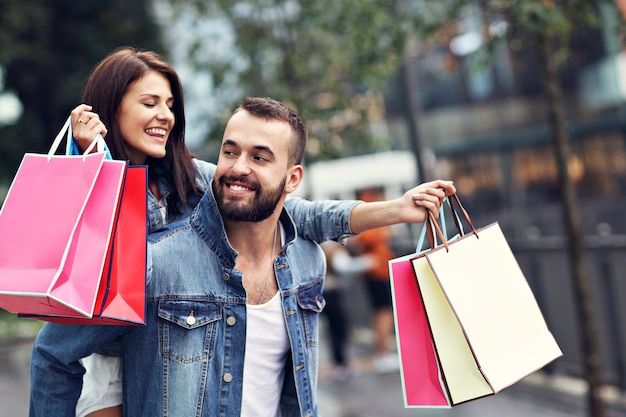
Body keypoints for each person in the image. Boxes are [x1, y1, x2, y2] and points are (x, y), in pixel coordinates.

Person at [30, 96, 455, 416]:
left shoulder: (308, 262)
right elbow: (53, 353)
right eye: (230, 152)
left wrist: (399, 210)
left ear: (292, 179)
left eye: (259, 157)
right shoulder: (156, 263)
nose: (237, 168)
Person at [63, 47, 382, 417]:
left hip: (179, 333)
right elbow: (65, 329)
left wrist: (395, 211)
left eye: (169, 104)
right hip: (116, 345)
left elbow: (283, 207)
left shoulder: (190, 174)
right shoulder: (91, 177)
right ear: (110, 109)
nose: (165, 115)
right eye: (149, 103)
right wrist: (88, 155)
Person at [350, 187, 400, 373]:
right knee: (383, 311)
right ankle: (383, 352)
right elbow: (362, 238)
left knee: (384, 311)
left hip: (380, 270)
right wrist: (384, 232)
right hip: (376, 271)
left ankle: (384, 352)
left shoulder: (371, 210)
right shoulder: (370, 212)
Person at [320, 241, 372, 381]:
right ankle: (341, 363)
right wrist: (368, 262)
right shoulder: (333, 249)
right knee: (340, 329)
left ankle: (341, 363)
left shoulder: (322, 248)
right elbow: (344, 267)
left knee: (335, 329)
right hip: (332, 293)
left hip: (325, 293)